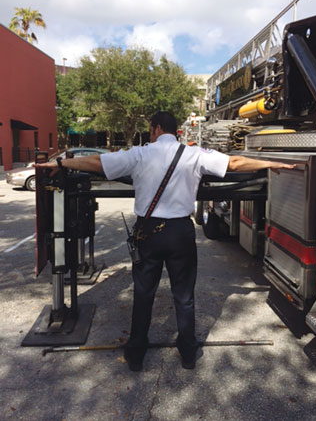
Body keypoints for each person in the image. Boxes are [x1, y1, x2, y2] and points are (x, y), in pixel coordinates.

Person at [34, 111, 295, 371]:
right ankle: (188, 354)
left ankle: (135, 355)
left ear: (156, 128)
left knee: (144, 294)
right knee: (183, 296)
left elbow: (98, 163)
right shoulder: (194, 154)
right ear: (175, 130)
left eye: (150, 129)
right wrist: (272, 164)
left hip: (148, 232)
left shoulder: (139, 154)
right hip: (180, 231)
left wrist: (60, 165)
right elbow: (236, 164)